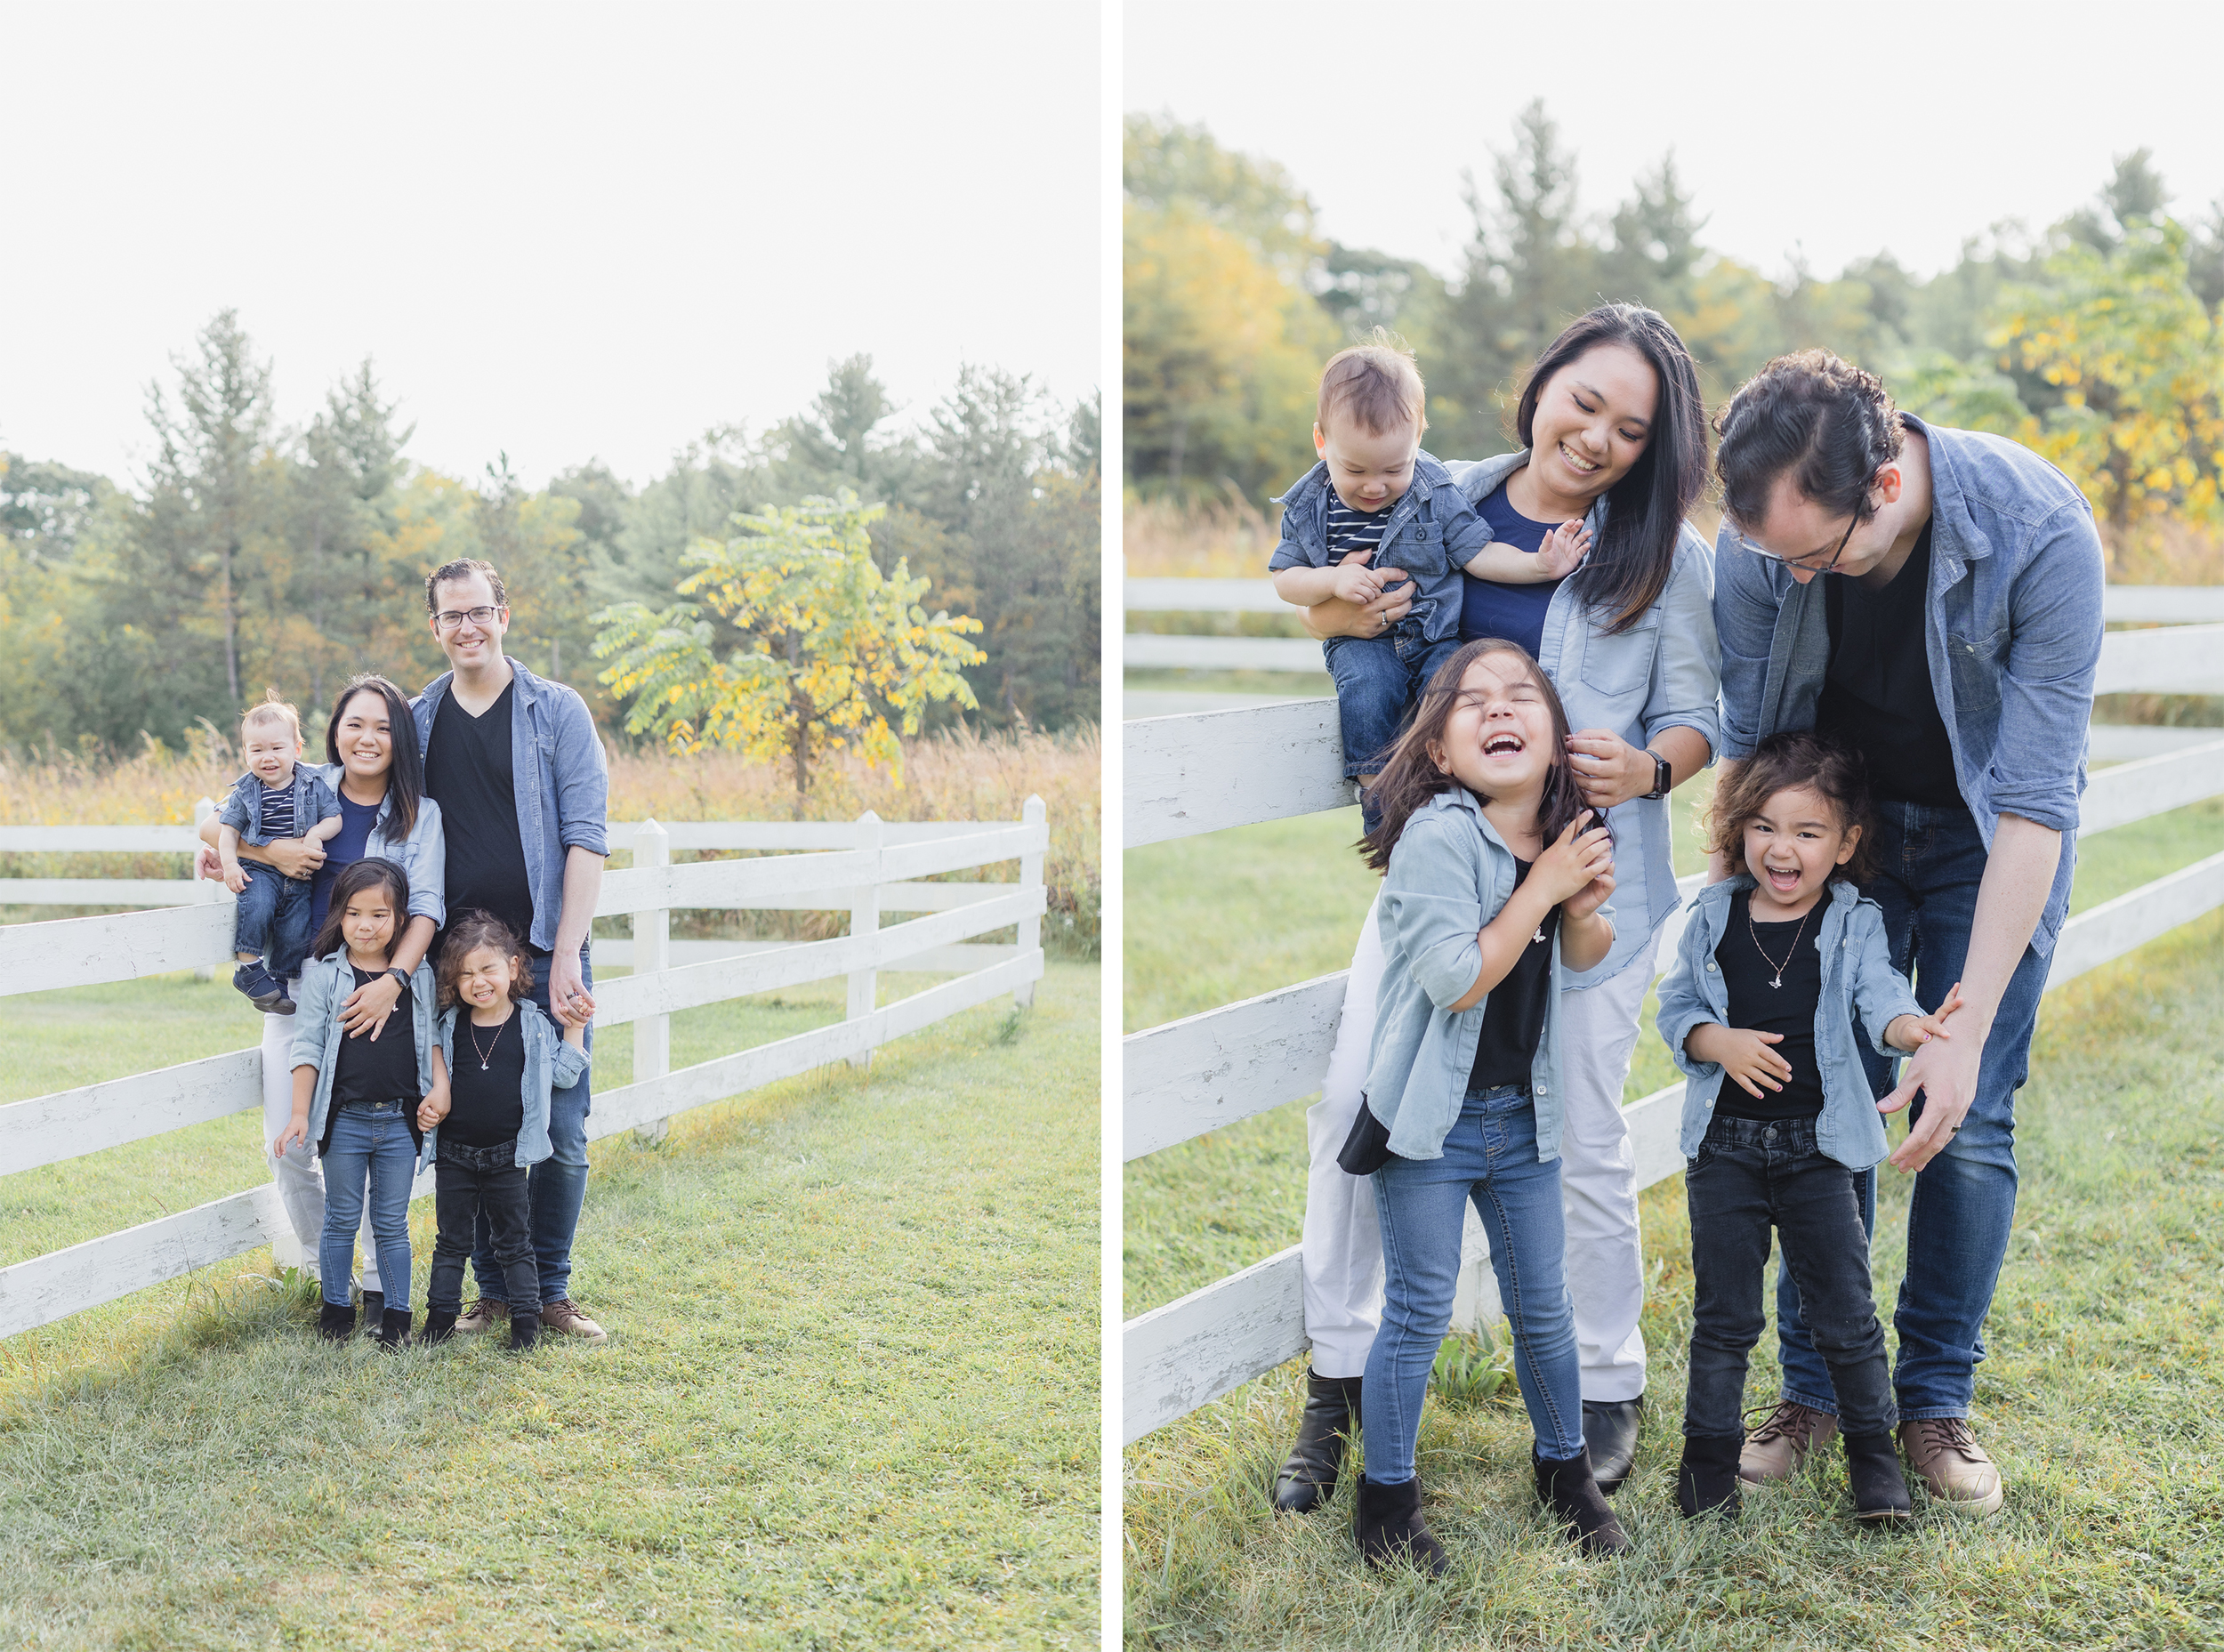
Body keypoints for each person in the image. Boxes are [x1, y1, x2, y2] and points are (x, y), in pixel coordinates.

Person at [1272, 304, 1719, 1515]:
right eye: (1585, 403)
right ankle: (1344, 1373)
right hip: (1448, 869)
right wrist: (1346, 606)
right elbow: (1327, 606)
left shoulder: (1667, 551)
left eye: (1632, 429)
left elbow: (1699, 715)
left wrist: (1652, 768)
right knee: (1357, 1098)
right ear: (1543, 387)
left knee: (1574, 1121)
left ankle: (1606, 1382)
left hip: (1591, 873)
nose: (1598, 439)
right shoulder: (1438, 488)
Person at [1708, 350, 2105, 1516]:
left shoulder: (2041, 535)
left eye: (1811, 557)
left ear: (1882, 487)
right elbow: (1756, 742)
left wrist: (1960, 1023)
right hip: (1849, 838)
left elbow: (2036, 803)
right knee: (1815, 1096)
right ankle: (1817, 1384)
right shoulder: (1756, 544)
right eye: (1772, 553)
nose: (1788, 575)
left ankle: (1934, 1400)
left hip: (1993, 841)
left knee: (1965, 1117)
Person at [1346, 640, 1623, 1571]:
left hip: (1523, 1113)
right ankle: (1385, 1502)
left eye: (1521, 698)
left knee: (1543, 1305)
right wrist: (1543, 889)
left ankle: (1564, 1471)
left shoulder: (1560, 830)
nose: (1500, 711)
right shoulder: (1435, 837)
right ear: (1437, 750)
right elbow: (1457, 979)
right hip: (1429, 1122)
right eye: (1473, 703)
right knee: (1420, 1310)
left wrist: (1578, 909)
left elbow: (1582, 956)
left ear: (1552, 735)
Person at [1655, 732, 1958, 1523]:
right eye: (1763, 826)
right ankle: (1707, 1468)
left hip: (1819, 1153)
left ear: (1847, 842)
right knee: (1725, 1317)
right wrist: (1713, 1040)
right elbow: (1678, 1008)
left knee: (1847, 1317)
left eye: (1807, 831)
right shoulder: (1714, 913)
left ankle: (1875, 1465)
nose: (1780, 848)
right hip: (1723, 1150)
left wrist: (1910, 1028)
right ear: (1737, 828)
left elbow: (1881, 994)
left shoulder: (1854, 921)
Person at [197, 674, 447, 1315]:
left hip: (380, 995)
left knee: (371, 1141)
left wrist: (394, 984)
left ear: (401, 737)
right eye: (355, 723)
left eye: (384, 726)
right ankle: (321, 1266)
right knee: (288, 1142)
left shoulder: (420, 814)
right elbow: (209, 824)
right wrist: (265, 853)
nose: (367, 738)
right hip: (302, 987)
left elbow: (426, 909)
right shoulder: (301, 781)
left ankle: (370, 1280)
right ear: (334, 730)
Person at [412, 557, 610, 1343]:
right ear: (434, 627)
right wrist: (229, 834)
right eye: (451, 615)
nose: (468, 626)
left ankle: (550, 1291)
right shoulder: (417, 718)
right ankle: (496, 1292)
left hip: (543, 952)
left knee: (561, 1125)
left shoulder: (555, 712)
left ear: (504, 613)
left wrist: (566, 953)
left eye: (479, 611)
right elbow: (338, 778)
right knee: (472, 1129)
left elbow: (585, 838)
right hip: (456, 968)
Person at [1266, 336, 1496, 833]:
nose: (1375, 486)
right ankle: (1378, 799)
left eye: (1395, 468)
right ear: (1321, 441)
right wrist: (1332, 577)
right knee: (1369, 689)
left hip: (1435, 634)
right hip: (1359, 641)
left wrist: (1539, 565)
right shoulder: (1311, 506)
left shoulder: (1435, 489)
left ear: (1418, 438)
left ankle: (1457, 794)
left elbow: (1476, 553)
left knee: (1457, 688)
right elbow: (1286, 581)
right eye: (1355, 469)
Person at [274, 858, 446, 1348]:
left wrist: (440, 1086)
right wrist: (301, 1113)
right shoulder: (326, 976)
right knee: (341, 1220)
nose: (365, 925)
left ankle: (396, 1320)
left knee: (391, 1223)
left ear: (400, 920)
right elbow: (306, 1046)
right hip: (344, 1123)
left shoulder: (417, 977)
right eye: (353, 914)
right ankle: (335, 1316)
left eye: (379, 915)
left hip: (398, 1122)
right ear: (338, 916)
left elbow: (431, 1037)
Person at [416, 911, 588, 1355]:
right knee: (452, 1241)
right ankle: (438, 1324)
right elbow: (428, 1079)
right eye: (465, 974)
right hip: (455, 1155)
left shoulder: (532, 1025)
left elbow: (566, 1075)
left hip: (508, 1156)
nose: (478, 981)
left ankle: (526, 1327)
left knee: (514, 1241)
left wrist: (575, 1026)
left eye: (488, 969)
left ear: (512, 968)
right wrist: (427, 1111)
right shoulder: (449, 1025)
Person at [214, 690, 343, 1013]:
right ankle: (247, 969)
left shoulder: (312, 783)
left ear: (297, 749)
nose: (267, 757)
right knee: (257, 906)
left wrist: (315, 834)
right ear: (245, 753)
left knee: (296, 930)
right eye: (257, 750)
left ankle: (278, 985)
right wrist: (230, 864)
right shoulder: (247, 791)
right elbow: (227, 830)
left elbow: (335, 818)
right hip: (259, 870)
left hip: (300, 877)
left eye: (276, 748)